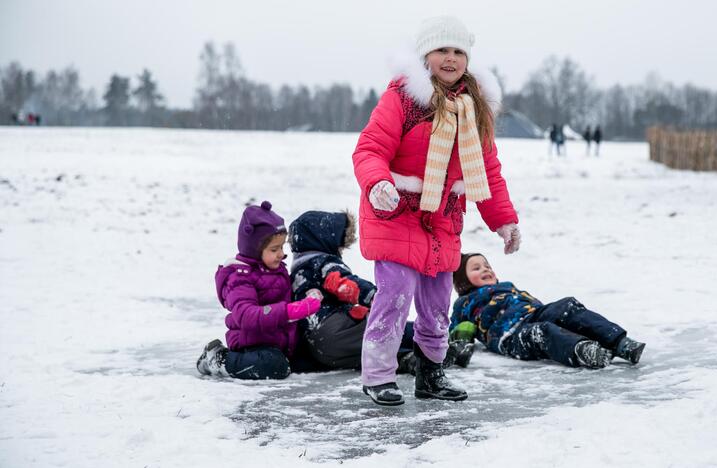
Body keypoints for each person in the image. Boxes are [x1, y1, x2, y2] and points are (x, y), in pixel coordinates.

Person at [352, 16, 520, 406]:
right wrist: (378, 183)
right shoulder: (403, 99)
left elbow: (488, 170)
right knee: (394, 295)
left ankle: (430, 373)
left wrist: (504, 219)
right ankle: (378, 375)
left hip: (442, 220)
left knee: (436, 304)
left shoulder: (474, 110)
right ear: (425, 57)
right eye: (442, 50)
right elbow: (370, 149)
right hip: (396, 212)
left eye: (458, 51)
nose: (450, 58)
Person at [288, 209, 474, 372]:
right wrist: (379, 297)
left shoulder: (299, 271)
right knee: (390, 328)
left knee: (370, 356)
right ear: (322, 239)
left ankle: (408, 361)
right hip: (337, 328)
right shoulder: (323, 264)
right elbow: (345, 284)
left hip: (320, 347)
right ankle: (440, 349)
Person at [196, 201, 323, 380]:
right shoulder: (240, 277)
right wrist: (289, 311)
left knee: (317, 357)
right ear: (254, 250)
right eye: (274, 249)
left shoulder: (277, 270)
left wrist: (309, 294)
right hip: (252, 344)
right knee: (274, 366)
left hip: (281, 342)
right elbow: (246, 315)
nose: (281, 253)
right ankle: (219, 359)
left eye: (281, 247)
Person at [450, 253, 646, 369]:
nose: (485, 269)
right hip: (509, 335)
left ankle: (619, 342)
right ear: (462, 281)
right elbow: (460, 328)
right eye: (476, 268)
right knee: (542, 332)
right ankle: (583, 350)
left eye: (487, 265)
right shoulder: (465, 303)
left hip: (533, 313)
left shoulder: (506, 286)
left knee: (567, 306)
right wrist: (461, 345)